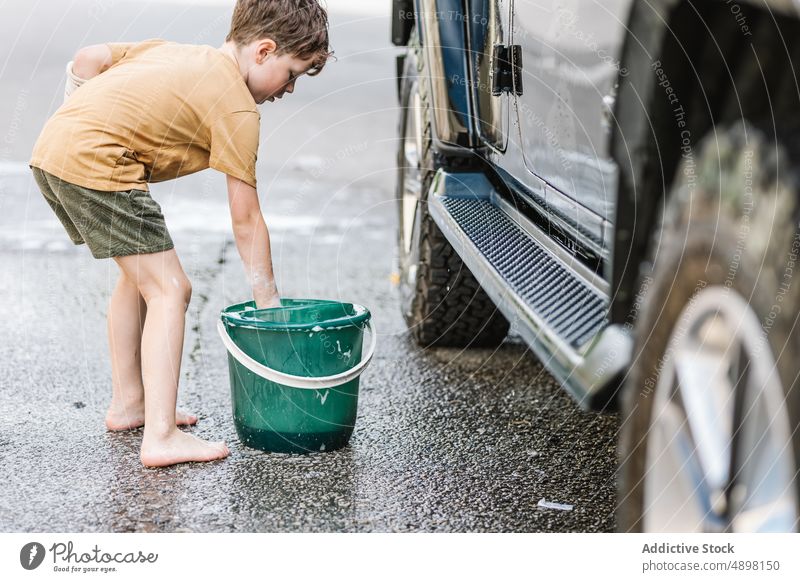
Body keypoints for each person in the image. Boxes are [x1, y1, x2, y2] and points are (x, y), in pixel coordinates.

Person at [27, 0, 332, 467]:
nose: (289, 89)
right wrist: (268, 304)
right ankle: (162, 437)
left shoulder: (170, 51)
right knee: (171, 289)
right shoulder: (237, 108)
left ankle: (130, 404)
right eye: (293, 73)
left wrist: (82, 122)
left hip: (54, 152)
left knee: (137, 277)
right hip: (98, 165)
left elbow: (89, 57)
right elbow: (246, 218)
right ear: (264, 51)